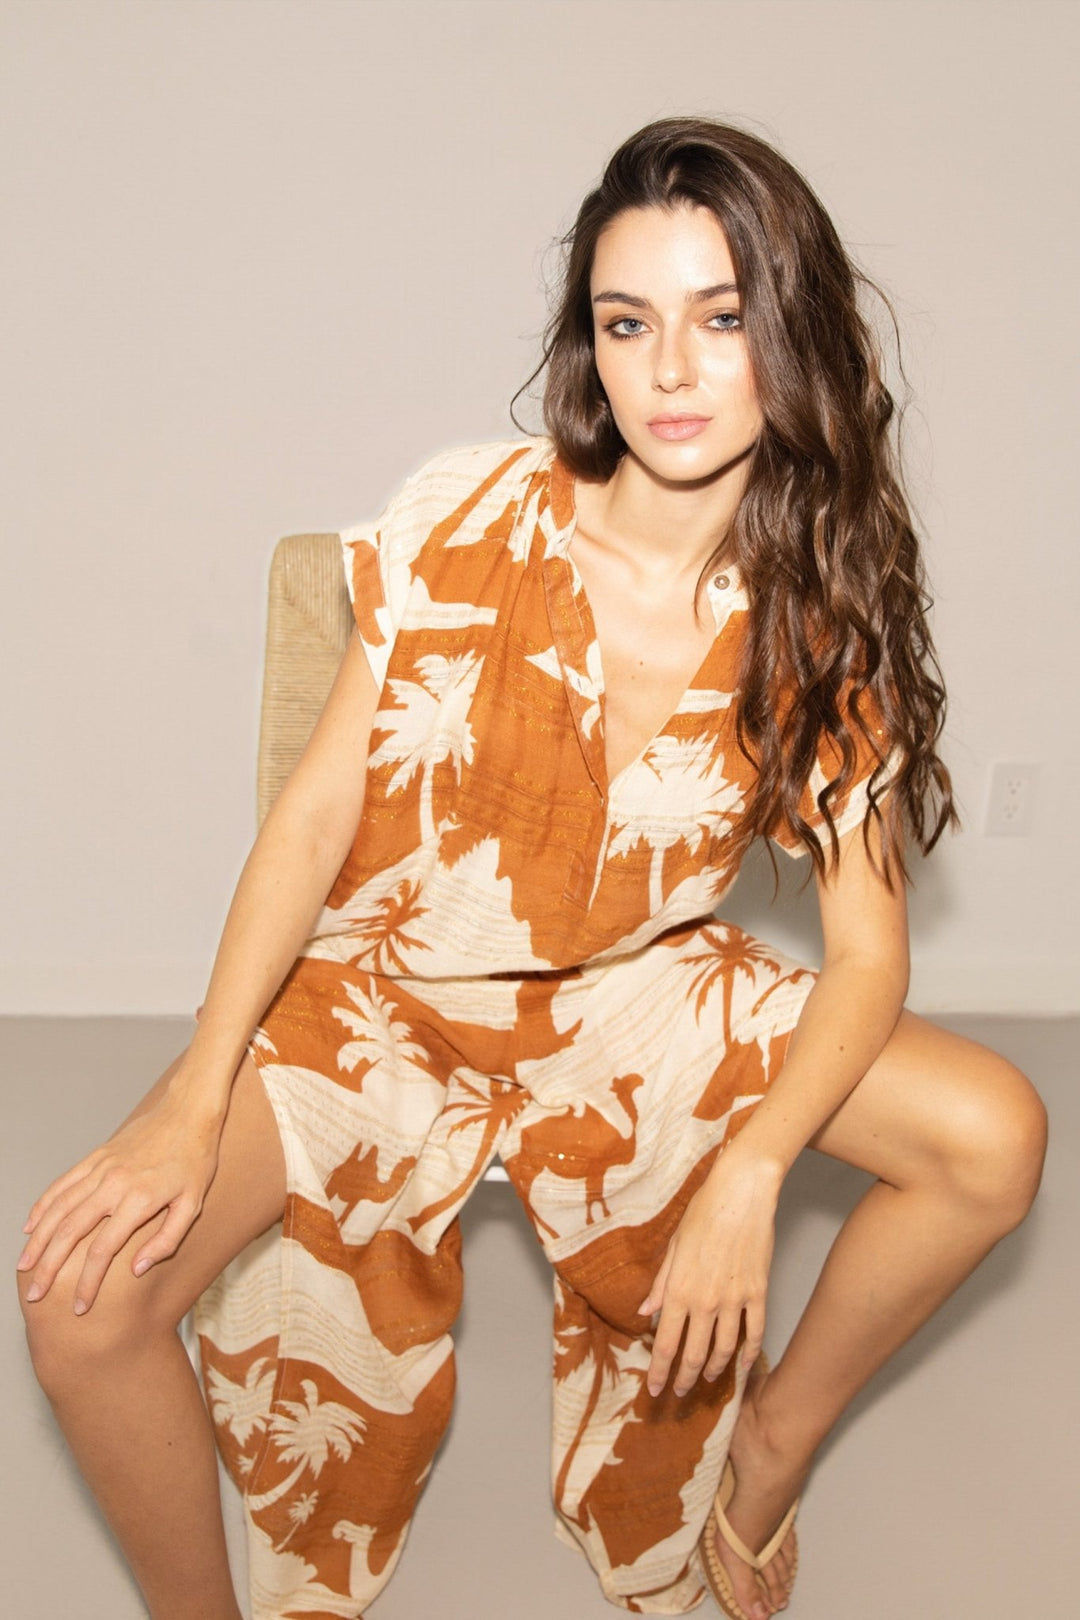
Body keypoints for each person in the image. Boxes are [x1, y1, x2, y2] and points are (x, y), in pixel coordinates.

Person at [16, 115, 1047, 1620]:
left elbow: (871, 951)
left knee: (995, 1135)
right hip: (384, 989)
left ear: (794, 336)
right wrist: (196, 1085)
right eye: (628, 323)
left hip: (631, 996)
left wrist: (754, 1171)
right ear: (591, 347)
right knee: (82, 1300)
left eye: (722, 318)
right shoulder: (468, 515)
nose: (671, 369)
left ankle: (769, 1448)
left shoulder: (818, 617)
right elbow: (315, 818)